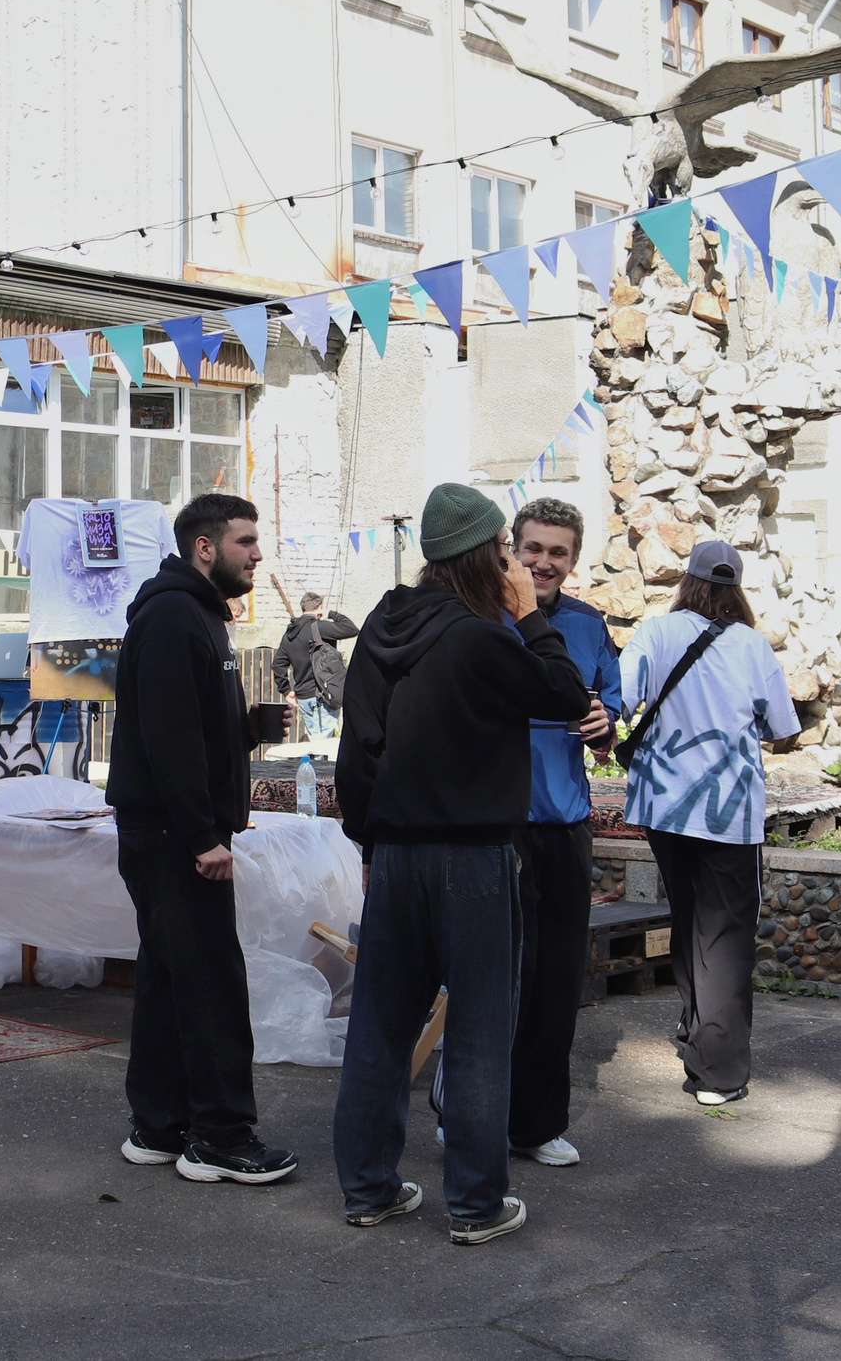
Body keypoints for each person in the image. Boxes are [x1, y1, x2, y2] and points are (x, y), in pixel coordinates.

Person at [331, 483, 593, 1244]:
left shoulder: (383, 623)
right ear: (486, 555)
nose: (520, 563)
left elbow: (359, 750)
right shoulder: (485, 638)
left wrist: (373, 842)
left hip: (397, 853)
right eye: (509, 552)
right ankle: (476, 1204)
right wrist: (531, 614)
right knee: (479, 1031)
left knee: (380, 1025)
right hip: (475, 854)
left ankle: (369, 1187)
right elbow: (567, 691)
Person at [106, 492, 296, 1186]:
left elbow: (192, 721)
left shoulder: (198, 616)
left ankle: (158, 1126)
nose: (257, 554)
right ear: (205, 547)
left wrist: (245, 727)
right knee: (214, 980)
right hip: (172, 834)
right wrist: (200, 835)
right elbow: (168, 738)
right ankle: (221, 1136)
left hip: (172, 828)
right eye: (245, 541)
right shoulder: (172, 616)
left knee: (168, 975)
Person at [619, 541, 800, 1108]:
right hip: (728, 811)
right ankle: (718, 1072)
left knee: (690, 916)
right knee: (723, 936)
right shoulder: (751, 645)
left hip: (662, 807)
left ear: (688, 582)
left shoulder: (654, 632)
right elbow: (782, 729)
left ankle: (695, 1030)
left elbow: (621, 700)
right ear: (735, 588)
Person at [503, 498, 622, 1171]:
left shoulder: (586, 623)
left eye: (558, 552)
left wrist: (606, 721)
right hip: (496, 826)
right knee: (494, 979)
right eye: (533, 548)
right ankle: (468, 1110)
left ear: (571, 560)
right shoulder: (483, 619)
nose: (543, 561)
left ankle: (539, 1123)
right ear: (512, 549)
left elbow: (612, 705)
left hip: (566, 827)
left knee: (554, 982)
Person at [274, 594, 357, 738]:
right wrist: (331, 613)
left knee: (315, 740)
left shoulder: (289, 633)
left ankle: (313, 761)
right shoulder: (320, 627)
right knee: (322, 744)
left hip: (303, 696)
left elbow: (278, 665)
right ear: (319, 608)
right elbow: (352, 629)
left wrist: (286, 691)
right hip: (323, 694)